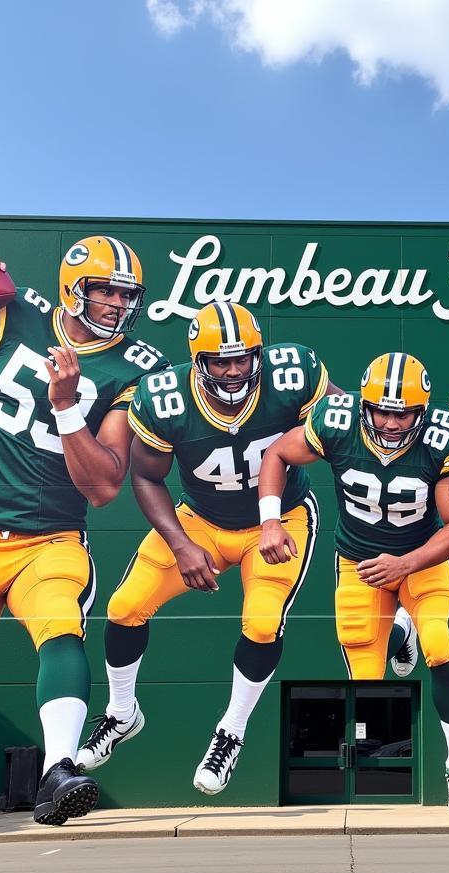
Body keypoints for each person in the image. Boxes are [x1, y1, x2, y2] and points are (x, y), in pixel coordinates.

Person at [0, 236, 168, 825]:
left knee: (61, 626)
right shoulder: (15, 312)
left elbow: (103, 487)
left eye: (128, 294)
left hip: (51, 537)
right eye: (107, 290)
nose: (119, 304)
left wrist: (68, 405)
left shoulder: (135, 369)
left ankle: (58, 772)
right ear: (76, 287)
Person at [77, 301, 347, 796]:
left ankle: (231, 732)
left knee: (262, 623)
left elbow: (348, 423)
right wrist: (180, 545)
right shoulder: (164, 397)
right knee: (124, 607)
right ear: (197, 360)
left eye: (242, 358)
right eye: (220, 361)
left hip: (280, 517)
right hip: (199, 520)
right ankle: (121, 713)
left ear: (258, 354)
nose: (232, 370)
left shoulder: (293, 373)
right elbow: (146, 475)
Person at [259, 352, 449, 814]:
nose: (390, 421)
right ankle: (400, 636)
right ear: (363, 404)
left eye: (402, 412)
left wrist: (404, 565)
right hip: (358, 561)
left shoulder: (443, 436)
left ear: (421, 411)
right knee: (365, 674)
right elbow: (278, 452)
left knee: (440, 645)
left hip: (421, 560)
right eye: (381, 409)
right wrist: (270, 520)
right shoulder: (336, 421)